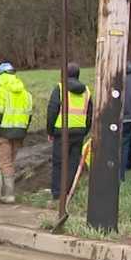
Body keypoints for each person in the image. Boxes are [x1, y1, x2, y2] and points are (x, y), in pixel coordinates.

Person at [0, 62, 33, 204]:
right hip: (19, 133)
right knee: (8, 162)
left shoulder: (2, 91)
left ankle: (9, 195)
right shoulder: (27, 94)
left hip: (3, 132)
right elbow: (29, 115)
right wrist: (23, 132)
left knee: (5, 163)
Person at [45, 63, 92, 207]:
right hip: (79, 132)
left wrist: (50, 131)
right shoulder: (87, 91)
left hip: (62, 132)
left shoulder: (60, 89)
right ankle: (68, 192)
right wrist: (85, 130)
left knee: (59, 163)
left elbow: (52, 111)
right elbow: (89, 114)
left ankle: (57, 194)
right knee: (73, 163)